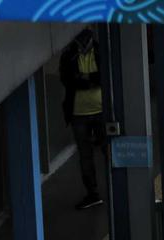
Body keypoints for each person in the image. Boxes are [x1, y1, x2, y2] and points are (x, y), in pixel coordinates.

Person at [60, 29, 106, 210]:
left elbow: (103, 76)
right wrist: (90, 80)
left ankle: (107, 188)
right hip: (79, 113)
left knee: (107, 150)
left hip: (101, 110)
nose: (84, 42)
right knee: (85, 156)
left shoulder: (99, 50)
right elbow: (68, 80)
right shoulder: (69, 55)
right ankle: (93, 193)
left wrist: (84, 79)